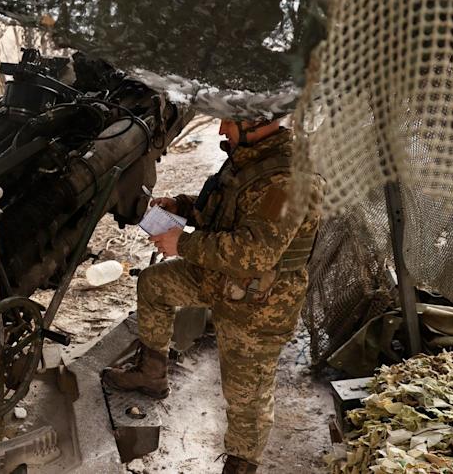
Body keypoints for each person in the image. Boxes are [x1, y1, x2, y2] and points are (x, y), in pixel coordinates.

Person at [102, 112, 324, 474]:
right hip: (222, 280)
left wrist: (183, 243)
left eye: (229, 123)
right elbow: (225, 208)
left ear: (255, 122)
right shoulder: (250, 158)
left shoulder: (289, 179)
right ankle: (152, 374)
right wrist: (181, 206)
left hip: (260, 303)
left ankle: (240, 464)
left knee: (245, 398)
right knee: (154, 284)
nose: (222, 130)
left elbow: (255, 254)